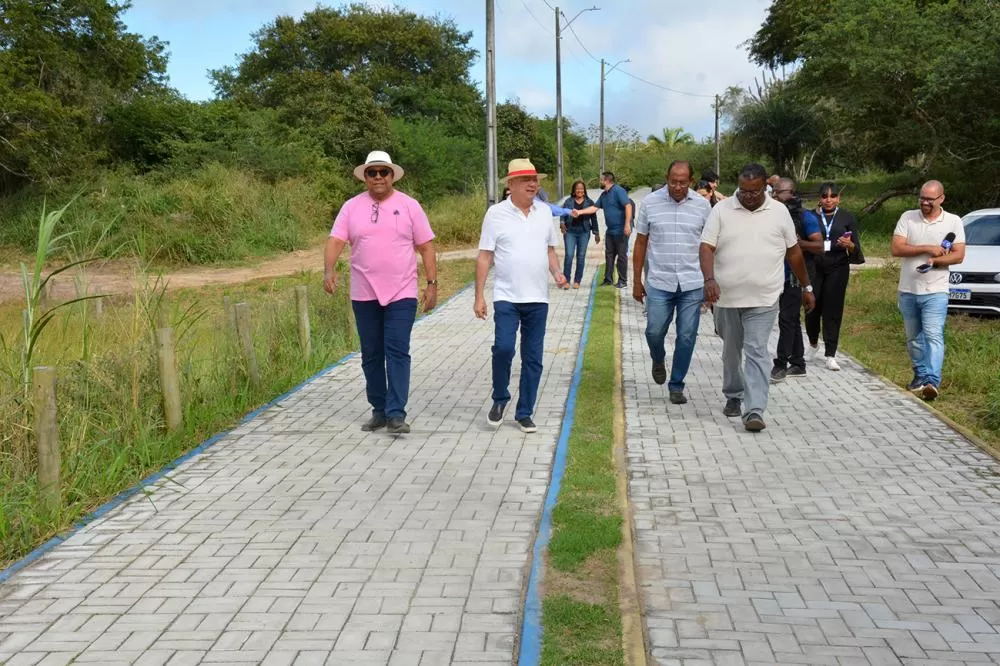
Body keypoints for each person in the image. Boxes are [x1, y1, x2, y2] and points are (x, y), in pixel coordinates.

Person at [324, 150, 437, 434]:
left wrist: (432, 284)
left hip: (402, 292)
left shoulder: (409, 205)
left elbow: (426, 246)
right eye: (371, 172)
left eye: (382, 172)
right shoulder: (351, 207)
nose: (377, 177)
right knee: (371, 354)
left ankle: (396, 413)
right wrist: (329, 270)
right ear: (364, 176)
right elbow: (336, 240)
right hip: (364, 293)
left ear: (392, 175)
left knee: (397, 351)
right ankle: (379, 409)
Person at [700, 164, 815, 432]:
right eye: (744, 190)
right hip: (726, 297)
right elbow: (706, 246)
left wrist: (806, 288)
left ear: (767, 187)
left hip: (764, 297)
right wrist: (709, 279)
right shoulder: (721, 210)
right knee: (731, 351)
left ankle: (754, 410)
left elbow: (794, 252)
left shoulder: (779, 212)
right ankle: (733, 394)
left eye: (755, 191)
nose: (749, 196)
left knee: (756, 351)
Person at [475, 159, 568, 433]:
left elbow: (550, 250)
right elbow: (484, 256)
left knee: (533, 358)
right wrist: (479, 296)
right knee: (504, 348)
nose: (532, 184)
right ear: (511, 184)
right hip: (507, 296)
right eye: (526, 179)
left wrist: (557, 273)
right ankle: (500, 398)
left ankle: (525, 411)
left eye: (535, 179)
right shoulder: (496, 214)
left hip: (538, 298)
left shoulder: (544, 213)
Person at [632, 160, 712, 406]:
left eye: (682, 182)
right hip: (659, 281)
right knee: (654, 331)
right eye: (673, 181)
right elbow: (641, 243)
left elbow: (708, 246)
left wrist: (711, 281)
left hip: (692, 282)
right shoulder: (650, 203)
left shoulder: (702, 207)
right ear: (666, 178)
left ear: (691, 180)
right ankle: (658, 358)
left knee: (687, 336)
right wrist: (637, 280)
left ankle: (676, 384)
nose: (677, 186)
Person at [891, 180, 966, 400]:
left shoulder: (953, 221)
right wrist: (926, 248)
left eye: (929, 199)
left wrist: (935, 261)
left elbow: (959, 255)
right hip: (908, 289)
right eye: (922, 198)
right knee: (913, 338)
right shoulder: (908, 217)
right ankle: (920, 375)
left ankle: (932, 382)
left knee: (934, 336)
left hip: (936, 290)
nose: (924, 202)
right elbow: (896, 248)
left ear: (941, 198)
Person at [771, 178, 823, 382]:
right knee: (791, 319)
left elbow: (819, 246)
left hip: (796, 276)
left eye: (778, 192)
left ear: (790, 193)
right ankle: (799, 363)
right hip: (777, 275)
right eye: (773, 192)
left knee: (785, 319)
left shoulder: (805, 216)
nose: (774, 195)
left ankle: (781, 364)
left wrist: (798, 243)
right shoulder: (773, 215)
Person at [805, 182, 861, 371]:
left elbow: (856, 247)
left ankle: (831, 353)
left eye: (833, 196)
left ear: (839, 198)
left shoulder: (846, 217)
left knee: (833, 310)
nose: (829, 200)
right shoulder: (810, 216)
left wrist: (850, 245)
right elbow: (801, 242)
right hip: (814, 267)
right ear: (819, 199)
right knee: (812, 307)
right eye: (825, 196)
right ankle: (813, 342)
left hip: (837, 267)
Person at [578, 172, 632, 288]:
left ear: (607, 180)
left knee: (621, 256)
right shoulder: (604, 195)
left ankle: (623, 281)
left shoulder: (618, 191)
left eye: (601, 179)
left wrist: (627, 225)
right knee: (609, 255)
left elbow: (628, 206)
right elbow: (594, 208)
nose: (600, 182)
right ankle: (608, 279)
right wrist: (579, 212)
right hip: (610, 230)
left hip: (621, 230)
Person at [560, 180, 600, 289]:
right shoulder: (568, 201)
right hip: (570, 232)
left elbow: (594, 218)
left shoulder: (589, 202)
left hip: (584, 232)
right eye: (577, 188)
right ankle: (566, 280)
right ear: (574, 190)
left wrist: (596, 233)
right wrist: (562, 223)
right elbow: (563, 213)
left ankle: (577, 280)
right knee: (569, 255)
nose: (580, 191)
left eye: (581, 188)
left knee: (581, 256)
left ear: (584, 190)